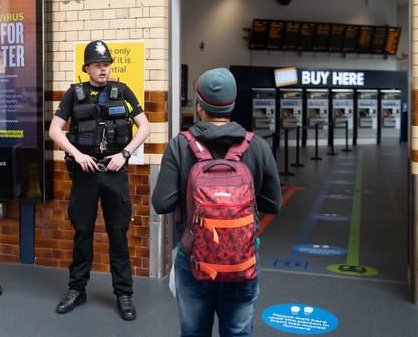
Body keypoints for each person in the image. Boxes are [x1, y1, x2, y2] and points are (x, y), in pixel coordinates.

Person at [151, 68, 282, 337]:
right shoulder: (256, 146)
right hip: (242, 259)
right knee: (238, 332)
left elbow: (161, 203)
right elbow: (273, 203)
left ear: (199, 107)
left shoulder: (179, 145)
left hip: (193, 259)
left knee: (194, 332)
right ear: (233, 105)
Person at [48, 40, 150, 321]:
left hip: (115, 172)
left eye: (106, 64)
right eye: (98, 64)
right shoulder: (74, 94)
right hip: (85, 173)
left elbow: (145, 125)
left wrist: (126, 153)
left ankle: (124, 293)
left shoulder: (123, 91)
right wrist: (77, 154)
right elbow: (54, 130)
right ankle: (76, 290)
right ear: (87, 68)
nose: (103, 68)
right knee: (82, 232)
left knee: (118, 233)